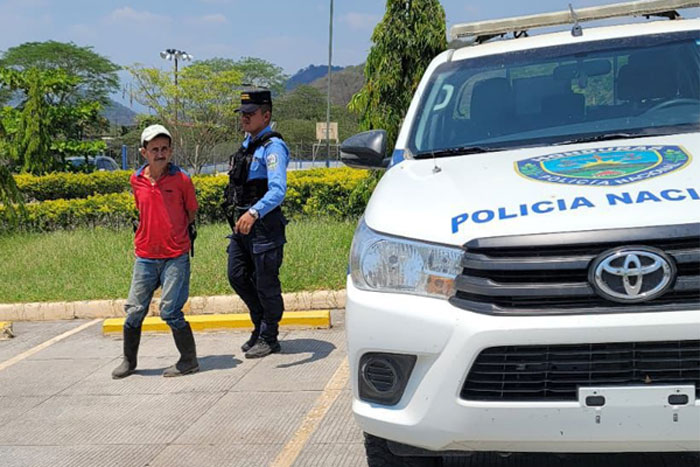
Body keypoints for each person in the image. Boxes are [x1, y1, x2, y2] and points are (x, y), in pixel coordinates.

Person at [112, 124, 200, 379]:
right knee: (134, 310)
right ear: (144, 152)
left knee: (171, 310)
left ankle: (188, 359)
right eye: (154, 149)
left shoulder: (182, 180)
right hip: (145, 256)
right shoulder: (136, 180)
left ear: (170, 151)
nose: (160, 153)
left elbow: (191, 211)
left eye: (164, 148)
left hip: (176, 255)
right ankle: (129, 361)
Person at [224, 90, 289, 359]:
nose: (245, 118)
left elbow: (277, 190)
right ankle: (259, 322)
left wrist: (254, 212)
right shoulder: (249, 143)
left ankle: (268, 334)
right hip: (242, 224)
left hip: (263, 225)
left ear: (266, 114)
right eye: (243, 114)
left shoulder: (273, 147)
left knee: (266, 283)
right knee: (237, 275)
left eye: (251, 114)